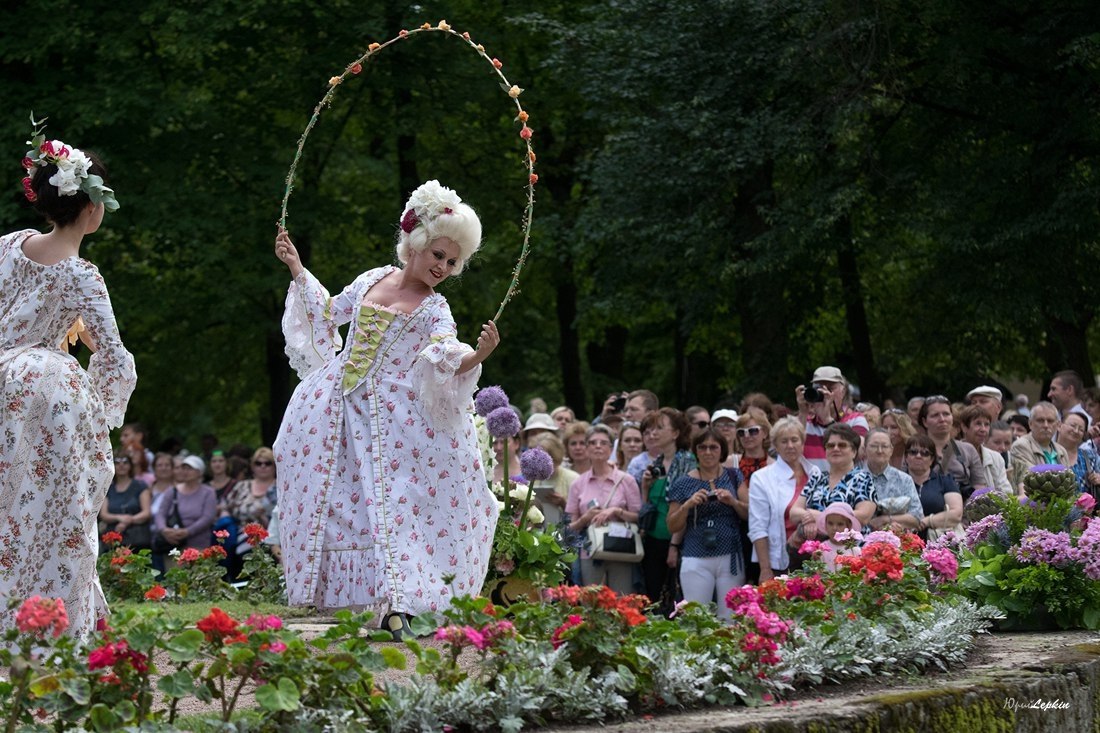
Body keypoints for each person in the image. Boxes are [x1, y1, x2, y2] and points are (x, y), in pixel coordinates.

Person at [273, 181, 500, 637]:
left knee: (394, 507)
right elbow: (329, 313)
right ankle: (363, 602)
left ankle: (401, 604)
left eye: (452, 262)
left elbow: (444, 354)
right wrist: (296, 266)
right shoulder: (372, 278)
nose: (443, 267)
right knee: (341, 506)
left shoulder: (435, 309)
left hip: (395, 421)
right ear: (415, 243)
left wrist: (477, 356)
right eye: (438, 255)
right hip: (334, 409)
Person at [0, 127, 134, 639]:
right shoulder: (81, 274)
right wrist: (105, 409)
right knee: (56, 513)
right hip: (44, 391)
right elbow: (113, 354)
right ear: (93, 207)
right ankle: (49, 630)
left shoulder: (8, 245)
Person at [666, 429, 744, 620]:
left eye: (713, 447)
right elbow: (672, 525)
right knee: (697, 617)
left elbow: (750, 514)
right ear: (696, 451)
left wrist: (733, 502)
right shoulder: (683, 482)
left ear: (722, 450)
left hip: (730, 554)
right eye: (702, 447)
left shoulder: (734, 475)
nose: (708, 452)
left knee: (731, 618)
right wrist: (687, 505)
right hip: (696, 554)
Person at [565, 425, 642, 595]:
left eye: (603, 443)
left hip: (621, 549)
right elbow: (568, 527)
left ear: (611, 448)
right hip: (590, 551)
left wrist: (616, 511)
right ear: (587, 448)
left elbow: (638, 517)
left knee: (622, 600)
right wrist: (585, 518)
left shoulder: (626, 480)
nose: (598, 446)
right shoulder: (578, 483)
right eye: (593, 443)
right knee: (591, 601)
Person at [748, 417, 819, 582]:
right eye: (784, 441)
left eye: (794, 440)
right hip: (780, 561)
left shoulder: (814, 472)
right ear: (775, 445)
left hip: (815, 558)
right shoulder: (761, 478)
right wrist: (765, 569)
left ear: (802, 442)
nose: (790, 445)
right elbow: (758, 528)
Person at [789, 424, 877, 539]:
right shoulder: (817, 478)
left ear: (854, 452)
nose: (835, 449)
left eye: (842, 445)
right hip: (817, 547)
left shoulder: (863, 479)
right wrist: (810, 518)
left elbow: (863, 516)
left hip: (850, 546)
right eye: (830, 445)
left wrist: (821, 517)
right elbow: (794, 513)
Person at [219, 447, 279, 578]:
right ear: (252, 466)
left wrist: (254, 513)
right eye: (258, 463)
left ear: (274, 466)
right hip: (240, 535)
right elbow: (226, 508)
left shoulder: (281, 487)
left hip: (274, 537)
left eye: (267, 463)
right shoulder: (241, 486)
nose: (263, 466)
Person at [796, 366, 869, 471]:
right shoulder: (803, 422)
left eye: (830, 388)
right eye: (819, 389)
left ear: (843, 392)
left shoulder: (856, 419)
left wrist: (827, 420)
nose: (824, 393)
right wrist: (802, 413)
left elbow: (858, 452)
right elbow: (789, 452)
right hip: (811, 481)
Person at [917, 395, 985, 500]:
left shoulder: (968, 449)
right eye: (935, 415)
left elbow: (979, 486)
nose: (942, 419)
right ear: (925, 421)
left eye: (946, 414)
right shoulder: (915, 450)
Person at [863, 428, 923, 532]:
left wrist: (886, 520)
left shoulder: (904, 480)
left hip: (896, 538)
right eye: (874, 446)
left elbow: (917, 517)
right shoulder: (854, 479)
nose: (879, 451)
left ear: (891, 450)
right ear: (864, 450)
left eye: (884, 446)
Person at [904, 435, 963, 540]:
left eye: (925, 453)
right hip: (903, 541)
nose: (918, 456)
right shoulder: (896, 482)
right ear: (906, 457)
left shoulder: (945, 481)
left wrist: (927, 521)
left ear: (932, 459)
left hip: (938, 542)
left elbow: (956, 514)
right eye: (913, 452)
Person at [154, 455, 217, 553]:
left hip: (198, 545)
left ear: (199, 472)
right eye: (184, 468)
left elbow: (208, 517)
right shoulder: (172, 491)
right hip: (173, 544)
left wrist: (188, 531)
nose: (185, 472)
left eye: (190, 469)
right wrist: (164, 530)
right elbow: (161, 513)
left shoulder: (208, 492)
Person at [1009, 401, 1070, 493]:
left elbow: (1068, 484)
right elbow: (1033, 481)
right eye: (1040, 420)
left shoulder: (1062, 451)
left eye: (1050, 421)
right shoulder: (1021, 446)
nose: (1046, 425)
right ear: (1030, 424)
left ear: (1058, 425)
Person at [99, 453, 153, 551]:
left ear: (130, 466)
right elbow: (104, 514)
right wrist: (118, 517)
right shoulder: (107, 489)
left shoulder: (140, 486)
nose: (121, 465)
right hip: (113, 540)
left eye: (125, 462)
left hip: (138, 540)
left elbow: (146, 513)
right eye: (117, 462)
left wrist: (128, 520)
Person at [958, 405, 1013, 495]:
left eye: (987, 424)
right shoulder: (954, 456)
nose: (983, 429)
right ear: (964, 427)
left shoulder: (996, 457)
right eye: (978, 424)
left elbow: (1007, 492)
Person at [527, 433, 577, 526]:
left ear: (555, 457)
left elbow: (580, 515)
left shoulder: (573, 479)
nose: (541, 464)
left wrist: (563, 503)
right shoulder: (533, 479)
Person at [1055, 412, 1100, 495]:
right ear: (1059, 425)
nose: (1076, 431)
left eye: (1081, 429)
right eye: (1073, 426)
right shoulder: (1045, 454)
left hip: (1087, 503)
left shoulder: (1091, 457)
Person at [816, 503, 863, 572]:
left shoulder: (854, 550)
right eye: (830, 523)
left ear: (848, 526)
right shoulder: (821, 548)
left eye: (840, 524)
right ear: (825, 525)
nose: (834, 528)